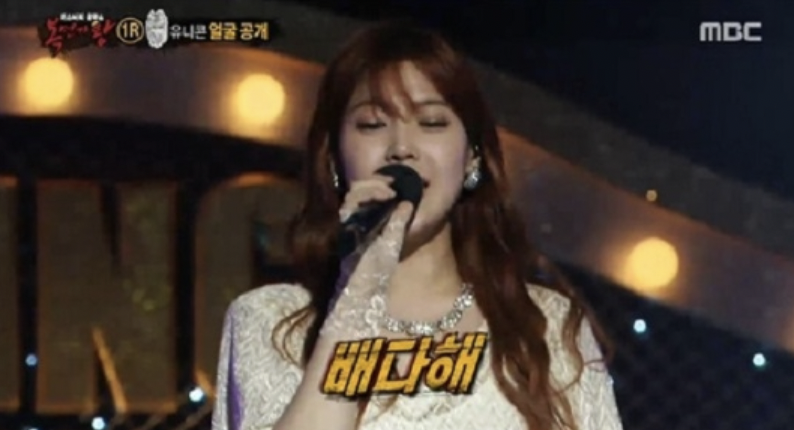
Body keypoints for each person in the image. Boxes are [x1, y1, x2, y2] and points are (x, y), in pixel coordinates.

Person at [211, 20, 624, 430]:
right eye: (372, 124)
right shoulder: (272, 322)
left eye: (432, 123)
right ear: (334, 158)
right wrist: (357, 290)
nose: (401, 148)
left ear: (472, 157)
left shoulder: (545, 325)